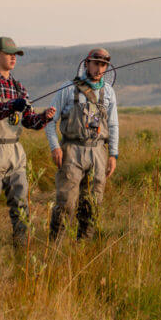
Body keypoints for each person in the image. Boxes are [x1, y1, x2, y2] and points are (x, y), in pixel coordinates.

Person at [0, 36, 56, 250]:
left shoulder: (19, 87)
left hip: (15, 152)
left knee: (21, 206)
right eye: (9, 53)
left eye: (15, 54)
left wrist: (45, 117)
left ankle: (21, 251)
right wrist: (13, 105)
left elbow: (30, 121)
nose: (13, 57)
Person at [45, 47, 119, 240]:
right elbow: (50, 121)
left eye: (103, 65)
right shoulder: (68, 88)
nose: (99, 69)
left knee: (92, 204)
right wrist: (55, 147)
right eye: (96, 64)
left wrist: (113, 154)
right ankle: (55, 249)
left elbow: (113, 124)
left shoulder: (109, 92)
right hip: (71, 151)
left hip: (98, 152)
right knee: (66, 203)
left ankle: (83, 247)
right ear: (86, 64)